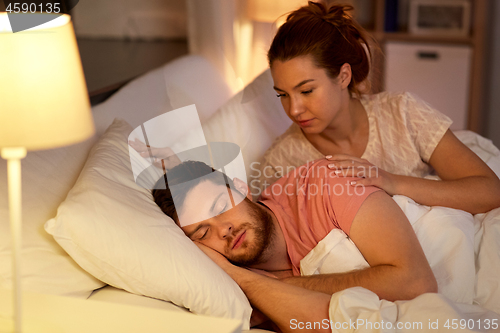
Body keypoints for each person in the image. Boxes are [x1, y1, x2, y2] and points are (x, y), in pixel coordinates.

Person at [257, 1, 500, 214]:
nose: (294, 109)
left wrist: (390, 182)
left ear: (343, 76)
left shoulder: (402, 113)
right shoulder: (281, 163)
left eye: (306, 91)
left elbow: (490, 191)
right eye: (283, 95)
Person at [152, 159, 437, 332]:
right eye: (203, 233)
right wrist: (242, 279)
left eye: (221, 205)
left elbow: (416, 283)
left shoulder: (323, 181)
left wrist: (283, 285)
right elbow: (322, 327)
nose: (223, 229)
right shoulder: (233, 286)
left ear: (241, 187)